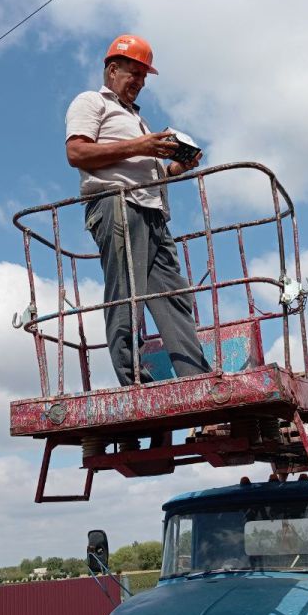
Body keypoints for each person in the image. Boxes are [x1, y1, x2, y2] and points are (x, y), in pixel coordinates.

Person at [65, 34, 210, 386]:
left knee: (174, 296)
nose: (140, 83)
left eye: (144, 77)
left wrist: (175, 167)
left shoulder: (137, 120)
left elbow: (141, 168)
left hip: (153, 212)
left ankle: (197, 380)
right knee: (126, 295)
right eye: (135, 74)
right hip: (117, 204)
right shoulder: (91, 102)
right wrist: (140, 145)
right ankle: (133, 381)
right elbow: (77, 153)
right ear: (113, 70)